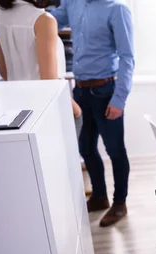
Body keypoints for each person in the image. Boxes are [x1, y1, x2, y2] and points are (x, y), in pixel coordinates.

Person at [51, 0, 135, 227]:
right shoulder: (73, 3)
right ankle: (99, 196)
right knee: (85, 148)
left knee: (115, 150)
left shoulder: (117, 9)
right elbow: (52, 20)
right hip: (80, 91)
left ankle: (120, 203)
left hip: (106, 91)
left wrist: (119, 99)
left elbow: (127, 57)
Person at [0, 0, 82, 121]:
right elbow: (50, 82)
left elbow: (3, 71)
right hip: (49, 108)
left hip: (18, 107)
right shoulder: (43, 20)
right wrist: (76, 110)